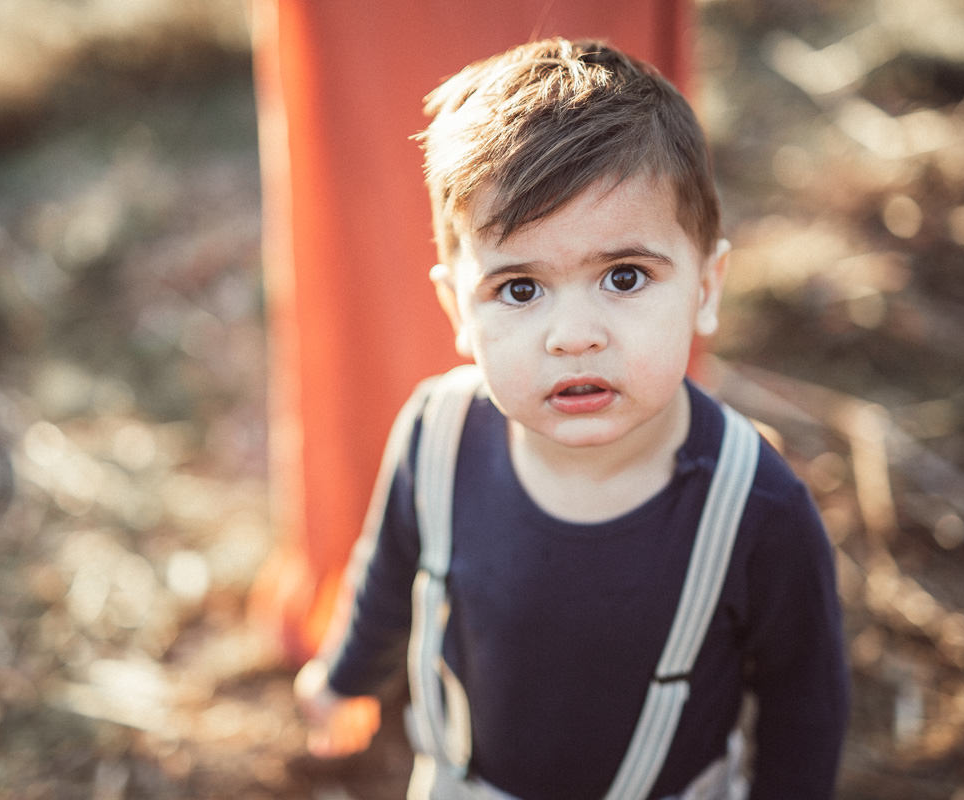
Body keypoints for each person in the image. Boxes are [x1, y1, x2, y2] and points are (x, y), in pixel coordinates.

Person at [293, 38, 849, 800]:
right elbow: (388, 570)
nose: (574, 334)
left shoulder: (756, 507)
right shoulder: (437, 437)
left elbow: (804, 702)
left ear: (706, 289)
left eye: (624, 277)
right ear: (458, 309)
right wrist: (346, 675)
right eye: (520, 290)